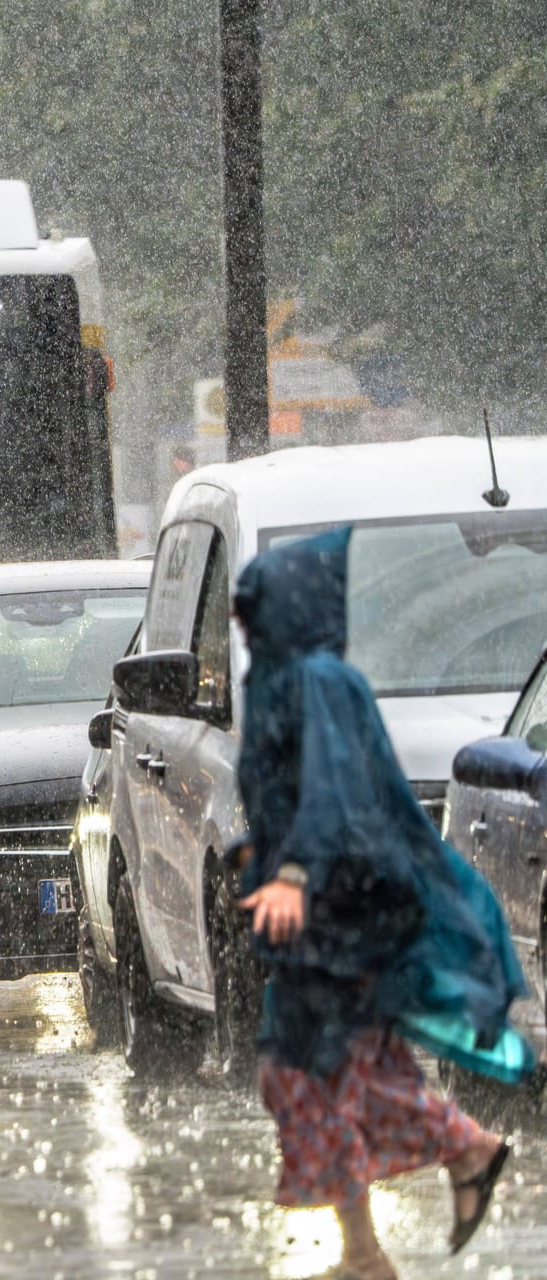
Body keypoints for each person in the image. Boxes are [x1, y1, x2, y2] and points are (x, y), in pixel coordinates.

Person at [232, 527, 534, 1280]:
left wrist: (297, 871)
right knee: (324, 1067)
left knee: (321, 1067)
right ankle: (366, 1246)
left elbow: (333, 791)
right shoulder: (288, 679)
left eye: (256, 605)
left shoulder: (316, 682)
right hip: (328, 913)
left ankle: (461, 1153)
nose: (244, 621)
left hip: (343, 913)